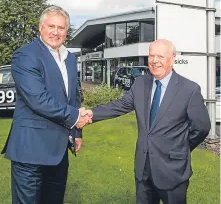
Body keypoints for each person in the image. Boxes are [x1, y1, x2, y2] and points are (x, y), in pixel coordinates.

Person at [82, 39, 211, 204]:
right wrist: (91, 114)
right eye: (151, 56)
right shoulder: (140, 83)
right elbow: (119, 106)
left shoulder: (189, 89)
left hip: (172, 171)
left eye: (160, 56)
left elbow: (202, 128)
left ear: (172, 59)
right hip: (143, 170)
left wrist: (181, 148)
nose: (154, 61)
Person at [1, 5, 92, 204]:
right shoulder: (25, 55)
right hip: (30, 151)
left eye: (61, 28)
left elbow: (73, 97)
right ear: (41, 27)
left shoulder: (70, 57)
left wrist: (76, 133)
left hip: (59, 150)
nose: (56, 32)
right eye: (51, 26)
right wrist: (77, 117)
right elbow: (38, 99)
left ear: (67, 31)